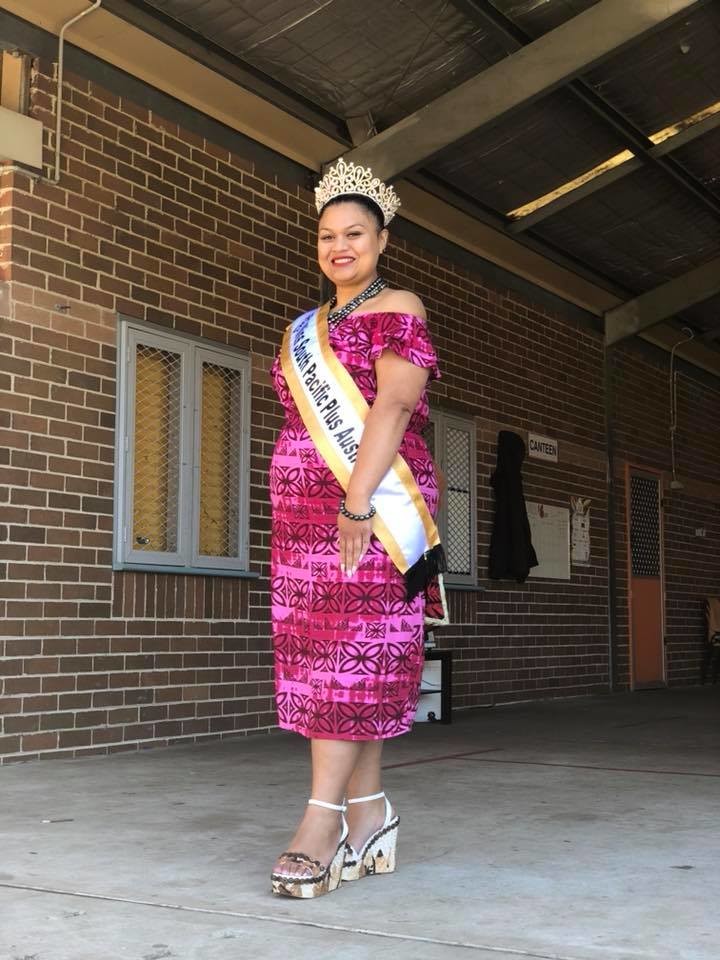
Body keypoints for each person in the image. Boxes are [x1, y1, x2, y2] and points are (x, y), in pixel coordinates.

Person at [269, 157, 444, 898]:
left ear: (381, 239)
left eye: (355, 234)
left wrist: (357, 499)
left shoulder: (397, 304)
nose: (340, 247)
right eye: (328, 236)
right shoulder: (305, 327)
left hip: (367, 507)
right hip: (303, 523)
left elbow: (394, 406)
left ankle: (321, 823)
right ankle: (370, 814)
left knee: (348, 657)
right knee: (338, 663)